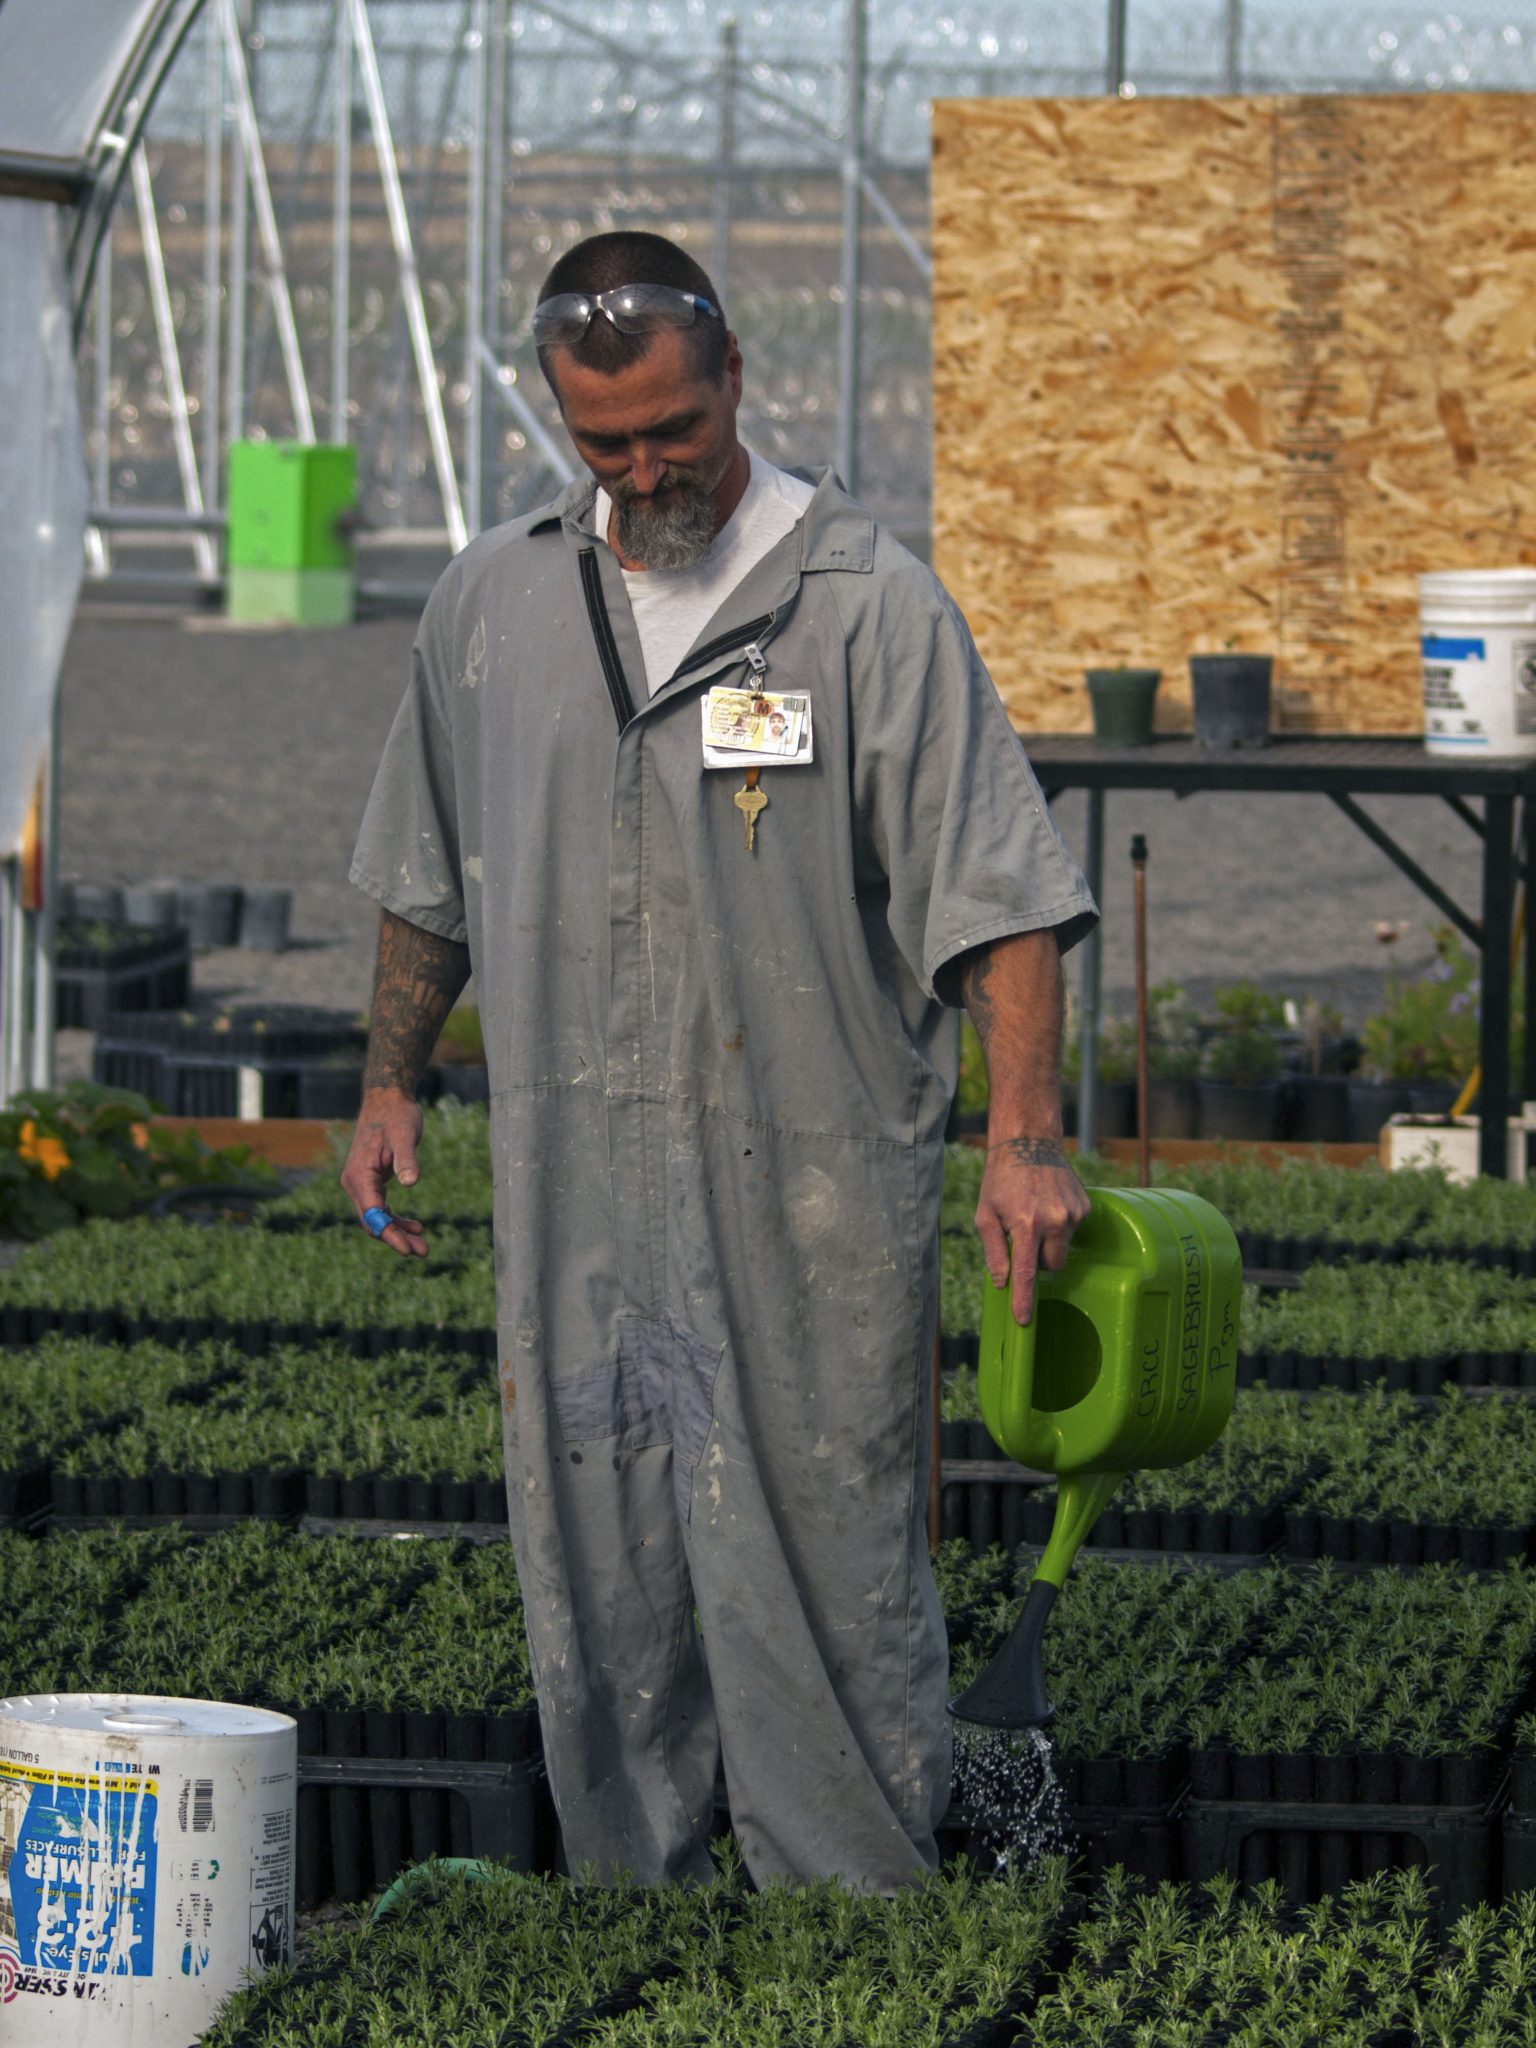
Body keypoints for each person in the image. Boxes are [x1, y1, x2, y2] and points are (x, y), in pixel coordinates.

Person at [342, 229, 1097, 1892]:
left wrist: (1025, 1137)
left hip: (809, 1191)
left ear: (735, 374)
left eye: (671, 428)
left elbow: (1005, 898)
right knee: (603, 1556)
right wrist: (392, 1080)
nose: (643, 468)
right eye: (602, 442)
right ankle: (645, 1911)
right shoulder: (492, 603)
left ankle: (854, 1927)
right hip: (574, 1199)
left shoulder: (860, 602)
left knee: (828, 1547)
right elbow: (423, 870)